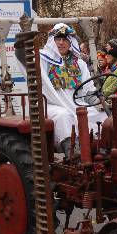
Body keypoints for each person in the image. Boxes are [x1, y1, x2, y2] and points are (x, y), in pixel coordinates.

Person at [21, 23, 106, 157]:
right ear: (52, 41)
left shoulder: (79, 63)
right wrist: (22, 43)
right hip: (49, 105)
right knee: (63, 116)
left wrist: (98, 102)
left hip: (76, 103)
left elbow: (88, 89)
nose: (61, 43)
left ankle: (99, 147)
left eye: (65, 39)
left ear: (70, 41)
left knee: (101, 115)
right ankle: (73, 151)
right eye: (58, 39)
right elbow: (25, 61)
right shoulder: (42, 59)